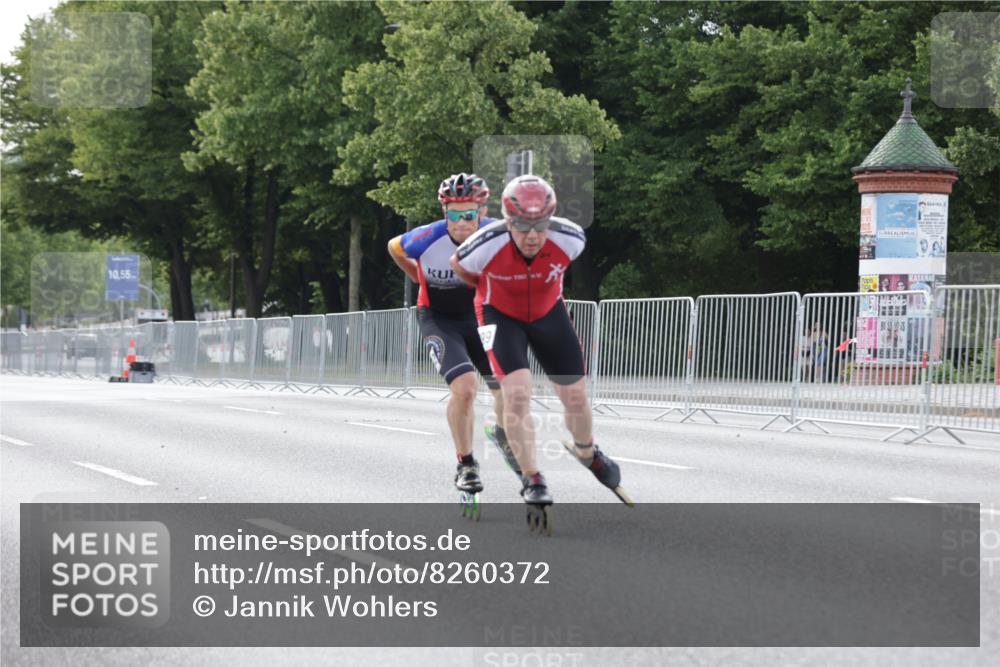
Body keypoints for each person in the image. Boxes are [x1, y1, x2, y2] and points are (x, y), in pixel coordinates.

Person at [450, 175, 628, 513]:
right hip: (499, 314)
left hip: (548, 312)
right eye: (521, 226)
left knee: (574, 395)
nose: (532, 236)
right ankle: (533, 478)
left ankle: (588, 452)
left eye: (540, 225)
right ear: (507, 220)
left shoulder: (571, 238)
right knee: (516, 394)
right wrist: (491, 287)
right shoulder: (483, 244)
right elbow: (460, 268)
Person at [387, 173, 508, 504]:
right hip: (438, 319)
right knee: (466, 389)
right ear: (445, 213)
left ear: (481, 212)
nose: (462, 222)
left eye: (469, 213)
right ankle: (466, 463)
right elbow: (394, 247)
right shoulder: (427, 238)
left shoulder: (495, 234)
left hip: (480, 316)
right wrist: (418, 276)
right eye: (454, 214)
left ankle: (501, 432)